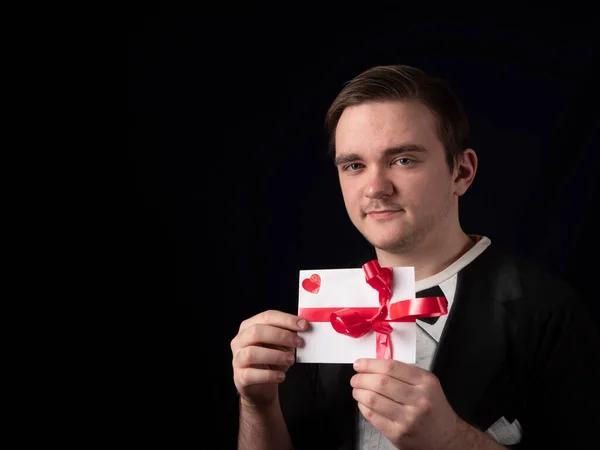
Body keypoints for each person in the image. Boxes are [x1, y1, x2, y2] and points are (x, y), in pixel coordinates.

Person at [230, 64, 600, 449]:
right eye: (354, 165)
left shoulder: (549, 312)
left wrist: (452, 440)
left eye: (403, 159)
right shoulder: (325, 316)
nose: (375, 187)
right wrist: (257, 406)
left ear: (462, 171)